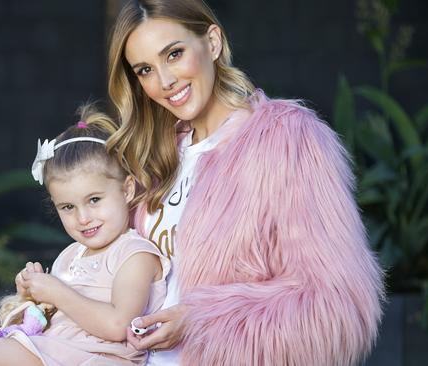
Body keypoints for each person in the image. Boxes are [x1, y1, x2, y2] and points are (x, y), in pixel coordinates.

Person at [106, 1, 385, 365]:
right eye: (145, 70)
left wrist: (202, 320)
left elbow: (336, 303)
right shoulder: (153, 161)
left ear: (212, 42)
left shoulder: (286, 141)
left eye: (174, 54)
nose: (164, 81)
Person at [0, 105, 170, 366]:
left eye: (94, 199)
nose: (83, 217)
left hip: (98, 359)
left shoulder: (134, 255)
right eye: (68, 207)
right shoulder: (71, 255)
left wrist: (57, 292)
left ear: (127, 189)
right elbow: (56, 316)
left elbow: (118, 325)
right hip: (57, 352)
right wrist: (34, 294)